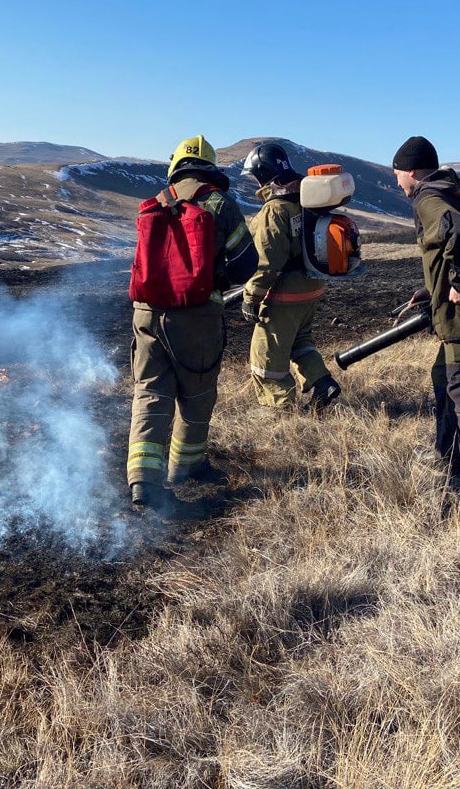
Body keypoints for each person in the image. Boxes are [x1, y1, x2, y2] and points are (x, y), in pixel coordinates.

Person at [126, 135, 255, 509]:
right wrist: (216, 278)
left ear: (176, 166)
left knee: (150, 392)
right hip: (196, 316)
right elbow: (247, 263)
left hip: (146, 314)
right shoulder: (219, 203)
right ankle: (186, 468)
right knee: (196, 395)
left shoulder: (157, 203)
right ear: (210, 168)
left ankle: (143, 483)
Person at [392, 135, 460, 513]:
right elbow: (448, 248)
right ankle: (448, 456)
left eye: (399, 175)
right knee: (444, 380)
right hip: (458, 315)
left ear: (412, 171)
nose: (398, 183)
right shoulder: (449, 190)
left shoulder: (428, 198)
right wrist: (431, 289)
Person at [240, 142, 342, 411]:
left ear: (263, 175)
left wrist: (251, 297)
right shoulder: (307, 201)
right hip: (312, 287)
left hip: (283, 294)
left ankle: (282, 412)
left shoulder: (275, 210)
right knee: (300, 342)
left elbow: (266, 262)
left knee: (267, 358)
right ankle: (323, 383)